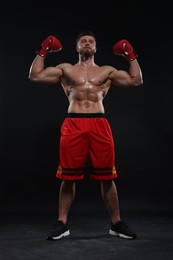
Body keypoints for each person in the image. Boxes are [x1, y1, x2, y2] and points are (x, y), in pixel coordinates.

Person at [28, 31, 143, 240]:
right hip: (74, 123)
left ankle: (116, 223)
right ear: (77, 47)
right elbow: (35, 75)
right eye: (83, 41)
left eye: (91, 41)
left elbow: (136, 80)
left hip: (100, 123)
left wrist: (130, 55)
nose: (87, 43)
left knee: (108, 177)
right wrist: (43, 50)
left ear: (96, 48)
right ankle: (62, 223)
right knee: (67, 178)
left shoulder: (107, 71)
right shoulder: (66, 69)